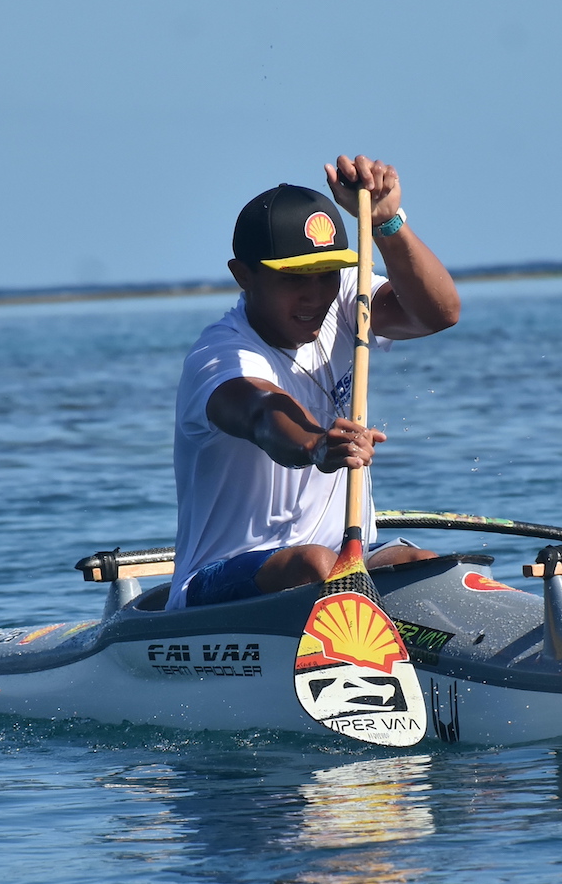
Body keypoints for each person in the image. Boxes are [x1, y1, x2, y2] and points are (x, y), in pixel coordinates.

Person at [168, 155, 462, 610]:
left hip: (346, 559)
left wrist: (387, 224)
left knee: (422, 563)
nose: (315, 295)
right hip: (218, 583)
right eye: (294, 279)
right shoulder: (220, 356)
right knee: (314, 565)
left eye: (326, 275)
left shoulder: (346, 298)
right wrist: (317, 446)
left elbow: (439, 314)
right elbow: (262, 414)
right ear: (243, 276)